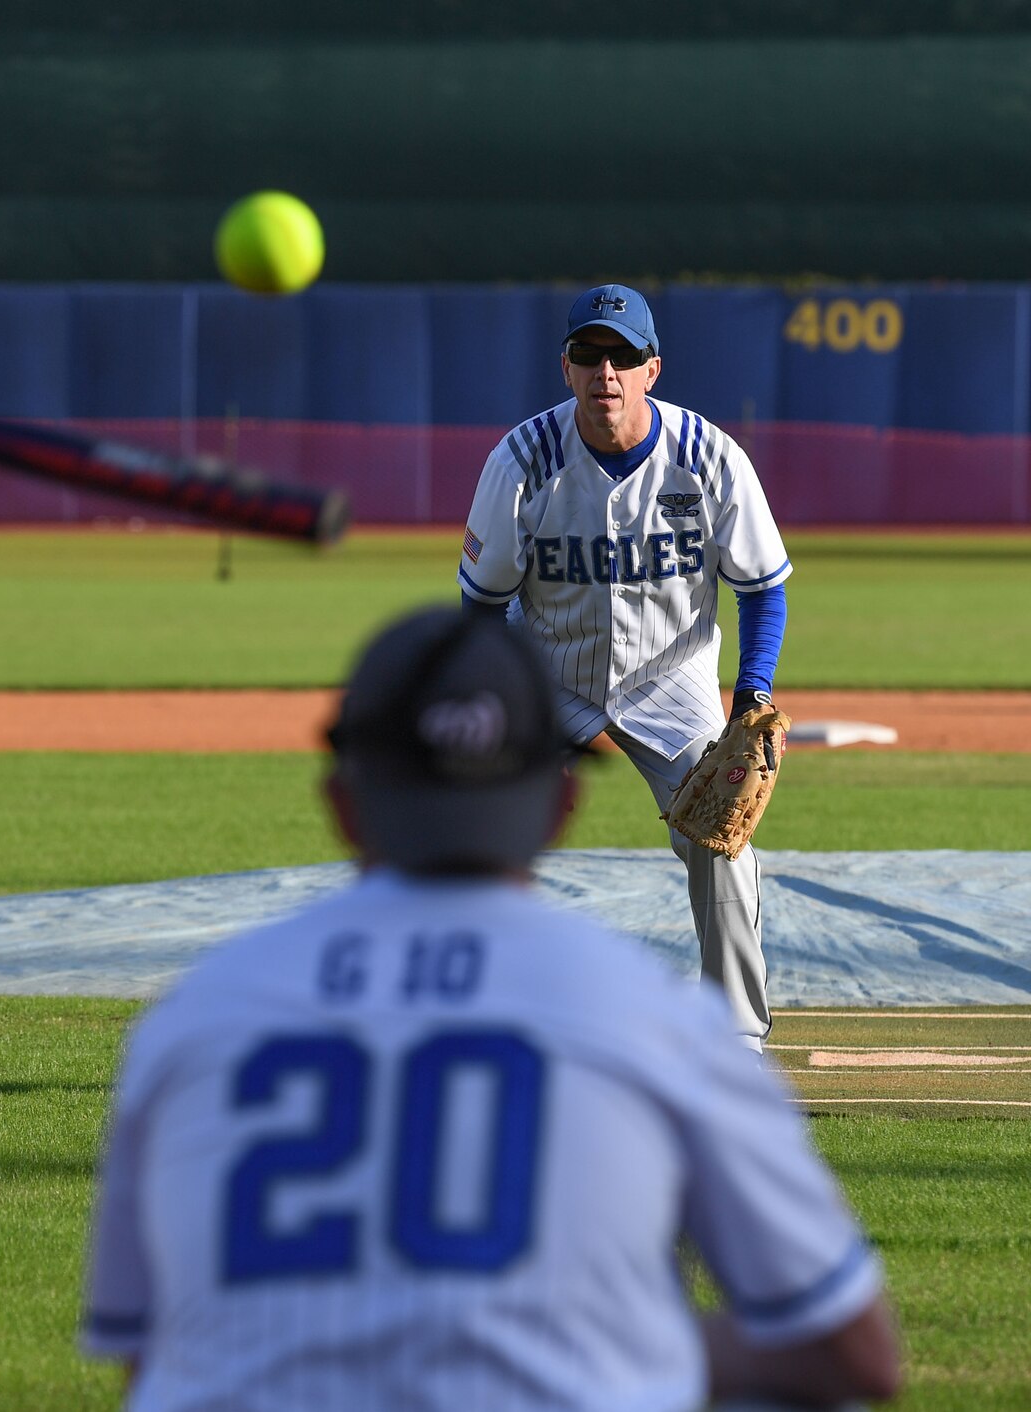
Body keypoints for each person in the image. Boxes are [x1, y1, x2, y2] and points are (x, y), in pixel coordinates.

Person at [79, 607, 900, 1412]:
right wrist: (631, 1337)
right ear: (560, 807)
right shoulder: (658, 1019)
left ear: (340, 801)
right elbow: (856, 1354)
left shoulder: (194, 1014)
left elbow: (144, 1354)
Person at [456, 284, 790, 1049]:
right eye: (590, 355)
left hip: (672, 681)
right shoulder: (522, 460)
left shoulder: (707, 456)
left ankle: (736, 1040)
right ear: (566, 367)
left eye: (624, 357)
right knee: (474, 819)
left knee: (721, 838)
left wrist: (753, 693)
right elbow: (479, 606)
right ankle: (468, 1009)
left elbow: (763, 588)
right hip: (545, 667)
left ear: (652, 369)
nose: (606, 373)